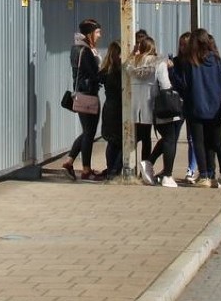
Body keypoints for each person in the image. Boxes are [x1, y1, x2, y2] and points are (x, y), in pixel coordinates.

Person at [180, 28, 221, 188]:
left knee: (199, 142)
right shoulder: (216, 60)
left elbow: (183, 84)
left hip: (196, 107)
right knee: (215, 142)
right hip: (215, 108)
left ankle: (204, 176)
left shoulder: (190, 62)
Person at [62, 18, 105, 181]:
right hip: (88, 94)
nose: (100, 35)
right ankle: (86, 169)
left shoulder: (76, 48)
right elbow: (95, 74)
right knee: (89, 132)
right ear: (89, 33)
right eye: (98, 32)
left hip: (80, 93)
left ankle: (69, 161)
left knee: (88, 131)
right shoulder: (86, 51)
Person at [143, 37, 182, 188]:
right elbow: (165, 85)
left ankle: (148, 163)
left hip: (146, 108)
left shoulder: (135, 64)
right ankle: (167, 175)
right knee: (170, 140)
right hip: (163, 107)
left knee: (164, 138)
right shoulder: (159, 63)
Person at [124, 36, 157, 185]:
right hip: (148, 103)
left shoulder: (132, 62)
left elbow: (126, 67)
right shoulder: (155, 62)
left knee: (133, 138)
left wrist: (132, 54)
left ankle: (128, 166)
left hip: (133, 104)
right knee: (146, 139)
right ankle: (145, 167)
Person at [170, 32, 198, 182]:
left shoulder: (194, 63)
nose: (182, 48)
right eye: (180, 44)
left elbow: (183, 84)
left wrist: (173, 72)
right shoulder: (176, 62)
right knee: (172, 137)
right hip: (178, 103)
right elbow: (176, 83)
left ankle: (191, 169)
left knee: (192, 138)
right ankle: (168, 169)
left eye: (185, 45)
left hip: (191, 103)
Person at [100, 41, 123, 179]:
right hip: (119, 109)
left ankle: (110, 170)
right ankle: (115, 171)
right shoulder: (120, 71)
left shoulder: (106, 69)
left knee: (111, 142)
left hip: (108, 108)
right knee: (121, 142)